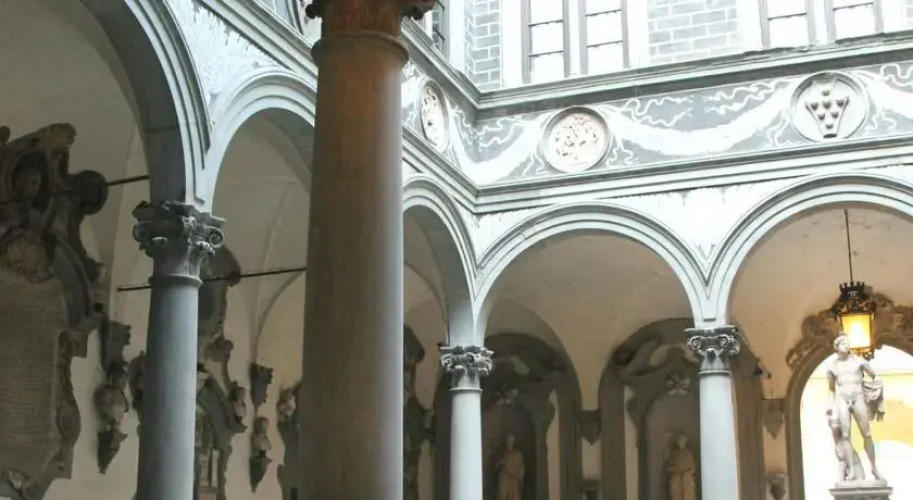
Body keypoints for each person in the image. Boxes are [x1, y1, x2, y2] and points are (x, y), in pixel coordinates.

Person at [826, 333, 885, 482]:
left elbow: (875, 375)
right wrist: (830, 407)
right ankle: (851, 469)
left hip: (858, 396)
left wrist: (878, 386)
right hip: (842, 398)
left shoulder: (859, 361)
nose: (846, 345)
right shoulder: (832, 367)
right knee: (845, 435)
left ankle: (874, 468)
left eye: (847, 343)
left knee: (867, 433)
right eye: (843, 343)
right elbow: (831, 390)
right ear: (837, 347)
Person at [496, 434, 524, 500]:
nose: (509, 442)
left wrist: (517, 476)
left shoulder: (518, 455)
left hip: (514, 482)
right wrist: (501, 464)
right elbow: (498, 465)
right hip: (504, 481)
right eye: (508, 440)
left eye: (511, 440)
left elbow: (521, 469)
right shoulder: (503, 453)